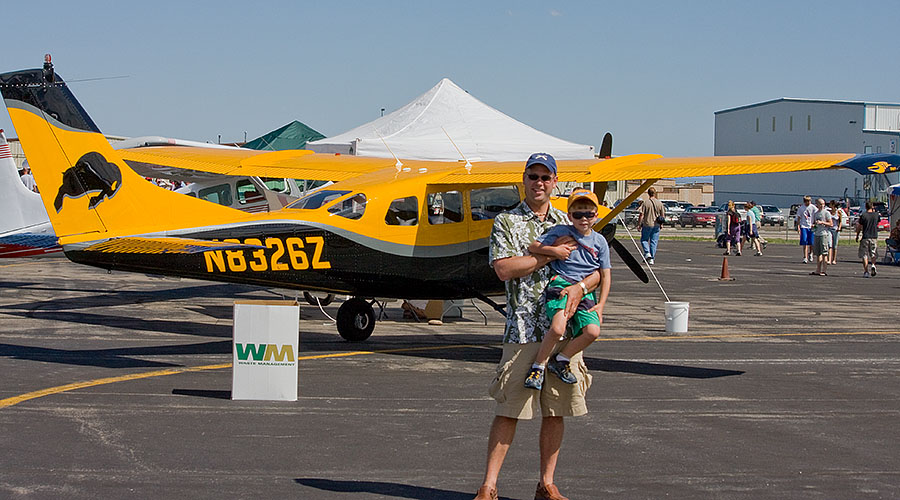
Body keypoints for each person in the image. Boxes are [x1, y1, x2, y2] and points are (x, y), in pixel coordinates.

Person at [475, 153, 601, 500]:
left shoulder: (572, 218)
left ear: (555, 181)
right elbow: (503, 268)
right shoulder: (507, 222)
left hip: (564, 327)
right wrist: (550, 255)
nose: (539, 183)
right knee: (509, 409)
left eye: (546, 177)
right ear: (524, 180)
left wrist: (579, 287)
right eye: (533, 176)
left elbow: (596, 270)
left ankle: (547, 483)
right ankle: (488, 486)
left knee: (556, 409)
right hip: (523, 328)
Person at [525, 189, 611, 391]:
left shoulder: (600, 242)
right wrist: (554, 251)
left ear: (596, 215)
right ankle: (538, 366)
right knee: (557, 328)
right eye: (578, 214)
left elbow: (605, 274)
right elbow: (534, 246)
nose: (584, 219)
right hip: (562, 282)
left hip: (586, 291)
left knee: (592, 331)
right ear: (569, 216)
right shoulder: (561, 231)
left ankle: (561, 359)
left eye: (589, 214)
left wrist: (601, 305)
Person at [637, 187, 665, 265]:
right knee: (654, 241)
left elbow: (641, 214)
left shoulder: (646, 203)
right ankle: (652, 258)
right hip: (656, 225)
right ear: (655, 193)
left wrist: (639, 224)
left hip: (647, 224)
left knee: (644, 240)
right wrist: (661, 224)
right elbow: (662, 215)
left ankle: (647, 253)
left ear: (648, 193)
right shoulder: (659, 203)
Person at [855, 201, 880, 277]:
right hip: (874, 236)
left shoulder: (863, 215)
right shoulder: (876, 215)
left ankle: (866, 271)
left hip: (865, 236)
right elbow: (878, 223)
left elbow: (859, 226)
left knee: (864, 255)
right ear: (872, 206)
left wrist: (857, 235)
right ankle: (873, 264)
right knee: (873, 253)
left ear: (866, 207)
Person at [810, 198, 832, 275]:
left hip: (824, 234)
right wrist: (814, 226)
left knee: (824, 253)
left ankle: (824, 270)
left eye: (823, 204)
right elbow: (815, 224)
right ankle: (818, 269)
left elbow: (831, 224)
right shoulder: (816, 213)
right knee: (818, 253)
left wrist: (822, 222)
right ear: (817, 204)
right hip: (817, 234)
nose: (822, 206)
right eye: (821, 204)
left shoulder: (826, 213)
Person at [796, 195, 816, 263]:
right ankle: (805, 257)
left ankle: (811, 253)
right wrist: (798, 227)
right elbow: (799, 218)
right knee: (804, 241)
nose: (809, 202)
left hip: (811, 226)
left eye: (809, 201)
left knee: (811, 242)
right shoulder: (801, 208)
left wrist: (814, 223)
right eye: (807, 201)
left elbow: (816, 215)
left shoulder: (813, 207)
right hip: (804, 226)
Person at [828, 200, 844, 265]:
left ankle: (834, 259)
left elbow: (840, 221)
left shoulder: (838, 212)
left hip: (835, 229)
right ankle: (829, 259)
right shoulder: (828, 212)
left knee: (834, 245)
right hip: (829, 229)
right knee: (829, 244)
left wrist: (839, 228)